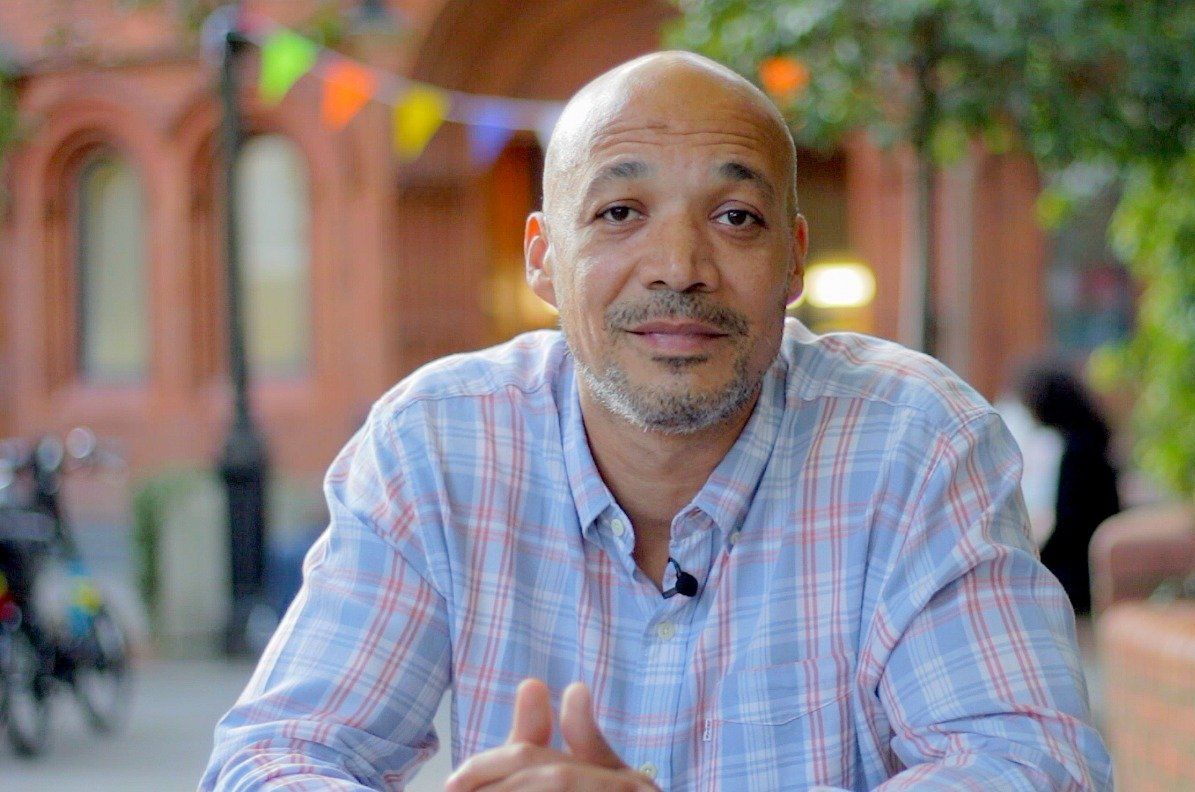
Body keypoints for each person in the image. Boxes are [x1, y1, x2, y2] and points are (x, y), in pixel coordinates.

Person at [202, 51, 1111, 791]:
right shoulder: (435, 446)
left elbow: (1029, 762)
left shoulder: (918, 443)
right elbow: (274, 757)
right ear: (544, 258)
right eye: (620, 211)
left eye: (735, 215)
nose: (678, 265)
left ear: (792, 261)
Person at [1018, 361, 1122, 615]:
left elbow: (1068, 524)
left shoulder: (1075, 452)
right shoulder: (1090, 440)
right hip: (1088, 565)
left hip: (1079, 576)